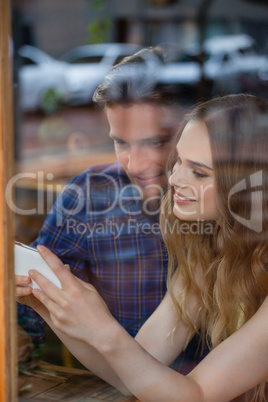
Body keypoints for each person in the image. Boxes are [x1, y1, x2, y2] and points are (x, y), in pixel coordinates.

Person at [16, 93, 268, 401]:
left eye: (199, 172)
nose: (174, 178)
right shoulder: (211, 255)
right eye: (178, 162)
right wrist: (52, 308)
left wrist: (103, 328)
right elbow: (135, 374)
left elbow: (196, 395)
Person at [17, 45, 206, 371]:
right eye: (121, 142)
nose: (135, 164)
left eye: (157, 141)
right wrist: (18, 330)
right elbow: (32, 301)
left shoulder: (233, 219)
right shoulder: (90, 195)